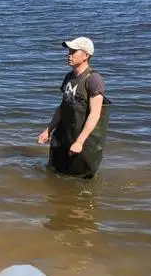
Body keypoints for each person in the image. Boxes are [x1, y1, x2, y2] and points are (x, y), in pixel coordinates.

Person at [37, 36, 110, 179]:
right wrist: (48, 130)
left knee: (81, 179)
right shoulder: (69, 77)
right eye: (69, 51)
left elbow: (95, 114)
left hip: (84, 139)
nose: (69, 55)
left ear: (86, 56)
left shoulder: (93, 79)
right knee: (56, 173)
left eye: (73, 52)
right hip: (65, 134)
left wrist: (80, 142)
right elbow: (63, 106)